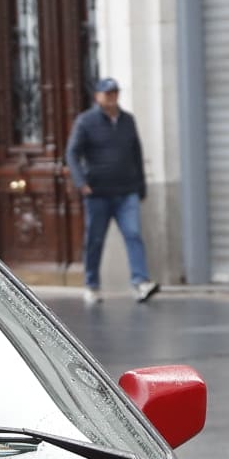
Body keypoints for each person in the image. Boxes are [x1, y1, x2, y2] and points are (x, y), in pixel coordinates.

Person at [65, 76, 157, 305]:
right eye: (107, 93)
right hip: (97, 193)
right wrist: (81, 182)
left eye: (115, 92)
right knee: (95, 240)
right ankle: (92, 285)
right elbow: (72, 153)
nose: (112, 97)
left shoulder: (127, 121)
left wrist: (141, 186)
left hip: (127, 191)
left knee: (134, 235)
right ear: (97, 96)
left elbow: (136, 153)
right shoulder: (86, 122)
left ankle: (140, 282)